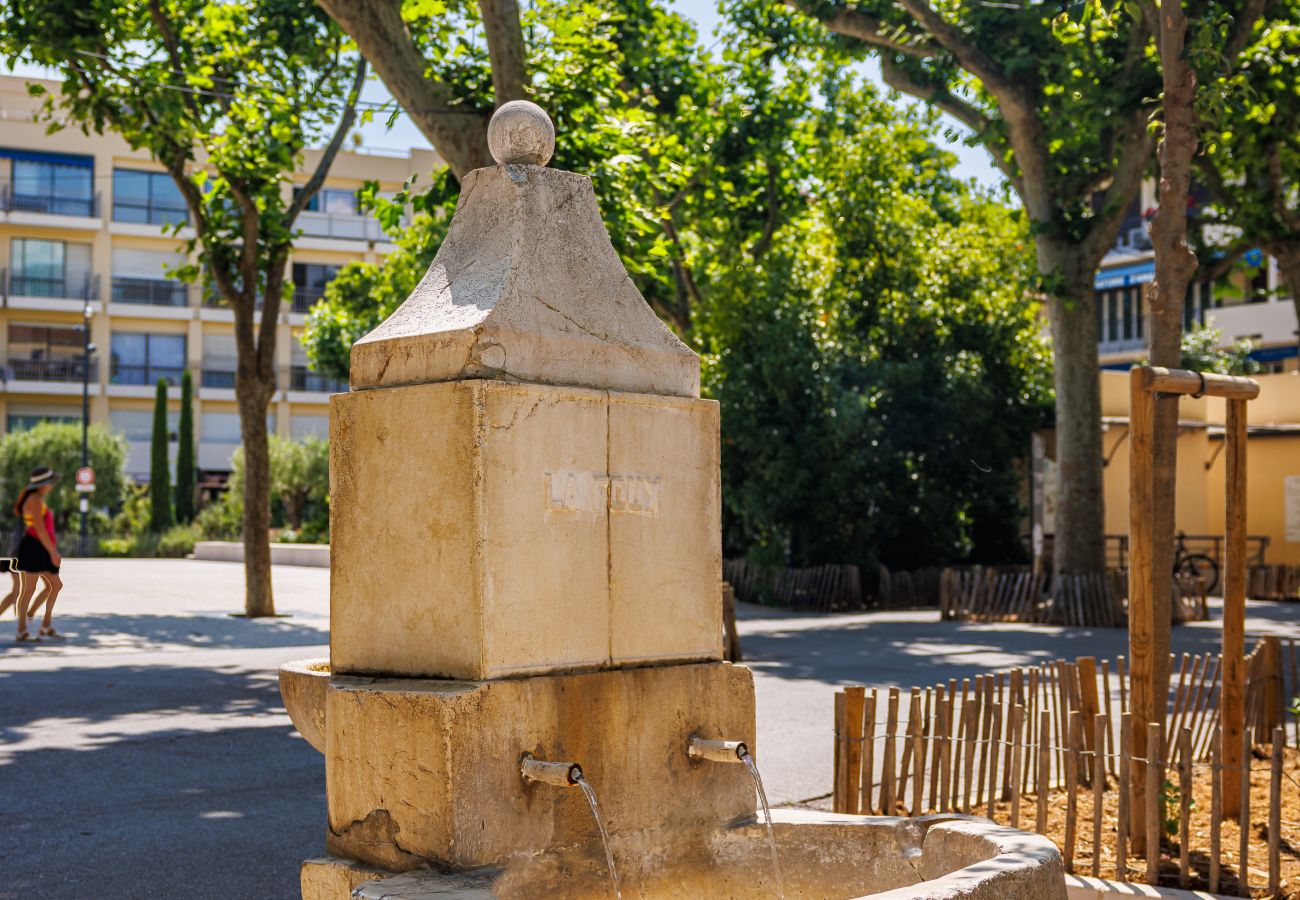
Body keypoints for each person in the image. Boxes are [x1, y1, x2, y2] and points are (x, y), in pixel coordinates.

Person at [11, 467, 63, 642]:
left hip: (39, 547)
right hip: (34, 547)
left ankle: (44, 624)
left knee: (54, 585)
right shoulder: (34, 500)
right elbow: (39, 530)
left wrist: (51, 550)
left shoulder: (37, 499)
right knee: (28, 590)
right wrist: (53, 552)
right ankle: (22, 630)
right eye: (49, 482)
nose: (51, 485)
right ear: (42, 485)